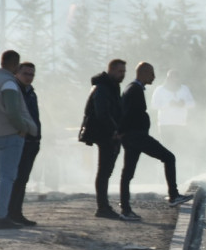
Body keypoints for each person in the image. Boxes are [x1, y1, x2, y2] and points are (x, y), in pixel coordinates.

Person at [118, 62, 193, 220]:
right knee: (168, 157)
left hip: (132, 136)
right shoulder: (135, 89)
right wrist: (125, 131)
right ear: (143, 73)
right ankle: (173, 195)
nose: (153, 77)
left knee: (128, 172)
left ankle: (125, 209)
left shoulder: (132, 88)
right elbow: (128, 113)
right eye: (151, 74)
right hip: (137, 136)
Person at [0, 49, 38, 229]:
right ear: (15, 64)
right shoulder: (9, 84)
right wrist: (23, 128)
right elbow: (13, 112)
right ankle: (1, 217)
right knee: (7, 177)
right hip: (9, 136)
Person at [79, 58, 127, 219]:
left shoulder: (111, 87)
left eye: (124, 71)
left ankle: (104, 205)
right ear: (111, 70)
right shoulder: (102, 88)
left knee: (106, 171)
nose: (123, 74)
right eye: (120, 71)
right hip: (105, 135)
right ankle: (102, 206)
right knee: (104, 171)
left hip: (110, 134)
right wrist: (114, 130)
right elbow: (102, 113)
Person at [8, 62, 42, 226]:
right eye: (26, 74)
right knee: (16, 178)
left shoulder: (30, 92)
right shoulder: (15, 90)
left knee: (23, 179)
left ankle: (16, 212)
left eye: (32, 74)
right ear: (17, 73)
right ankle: (10, 213)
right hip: (20, 140)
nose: (29, 77)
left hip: (32, 141)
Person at [150, 69, 196, 147]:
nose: (173, 80)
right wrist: (168, 104)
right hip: (165, 124)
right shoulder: (160, 89)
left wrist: (183, 104)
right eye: (171, 78)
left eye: (176, 78)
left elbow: (192, 104)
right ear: (167, 78)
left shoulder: (184, 89)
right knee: (167, 148)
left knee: (180, 148)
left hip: (180, 124)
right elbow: (154, 105)